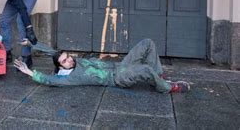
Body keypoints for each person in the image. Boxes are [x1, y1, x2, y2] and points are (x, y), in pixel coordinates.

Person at [14, 38, 190, 94]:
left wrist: (31, 44)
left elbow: (52, 51)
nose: (70, 60)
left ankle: (158, 77)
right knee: (145, 69)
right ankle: (168, 88)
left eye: (68, 56)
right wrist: (29, 72)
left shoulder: (75, 61)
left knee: (148, 43)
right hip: (117, 78)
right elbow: (48, 80)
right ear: (62, 68)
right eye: (65, 61)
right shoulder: (67, 77)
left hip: (119, 66)